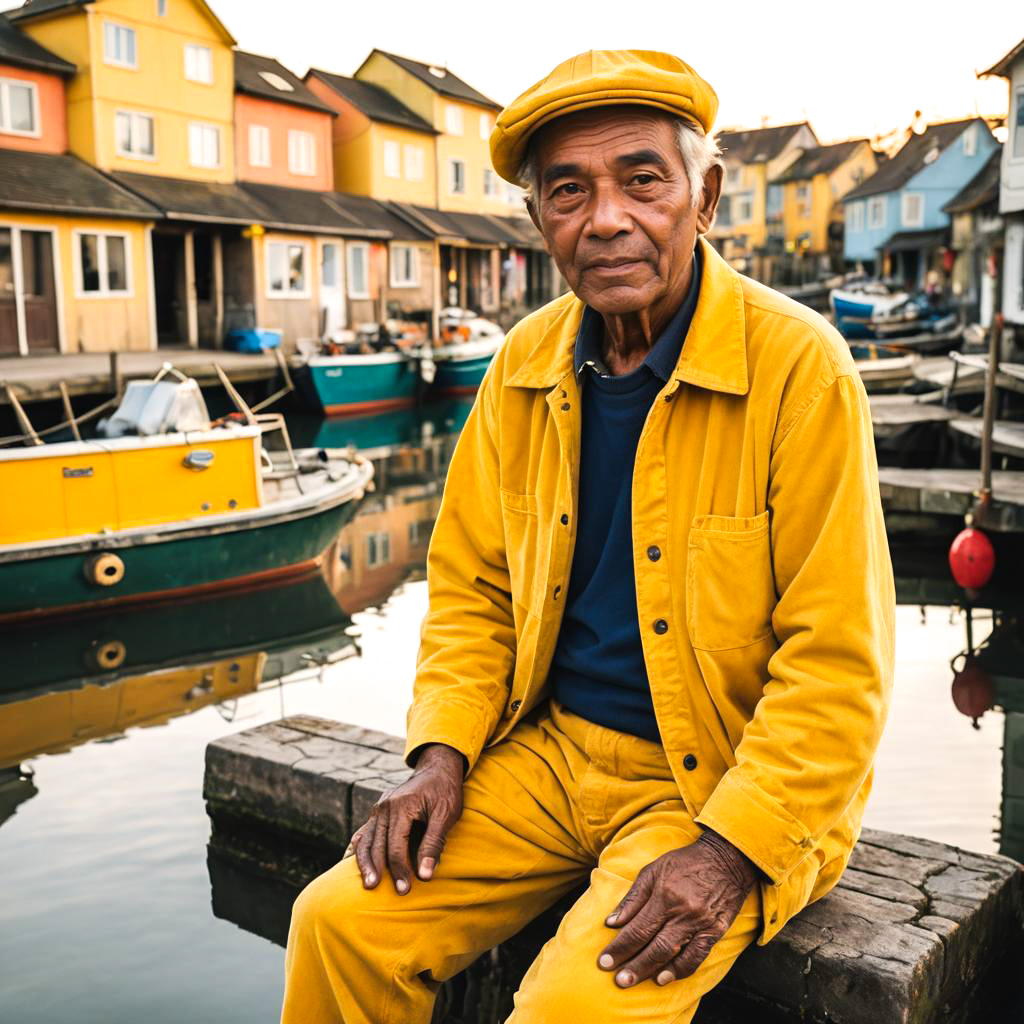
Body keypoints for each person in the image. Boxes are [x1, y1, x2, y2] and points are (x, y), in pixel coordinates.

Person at [281, 49, 895, 1024]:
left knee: (574, 1004)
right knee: (337, 922)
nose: (605, 217)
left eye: (641, 180)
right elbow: (472, 590)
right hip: (547, 756)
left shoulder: (798, 367)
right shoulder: (522, 364)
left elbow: (838, 662)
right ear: (538, 226)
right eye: (568, 191)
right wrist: (438, 754)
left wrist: (732, 849)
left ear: (705, 197)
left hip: (713, 782)